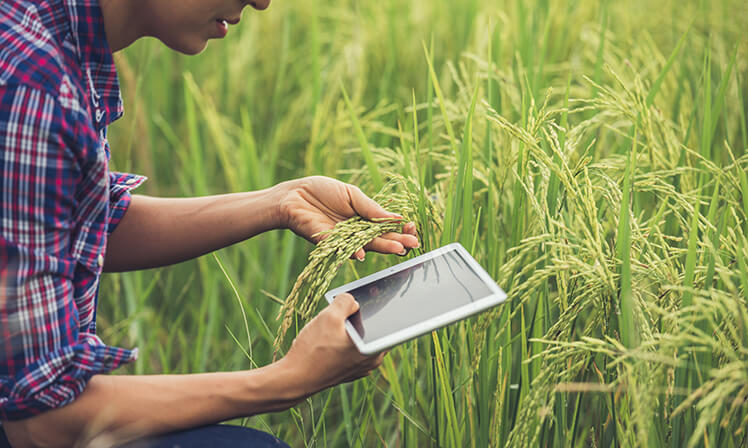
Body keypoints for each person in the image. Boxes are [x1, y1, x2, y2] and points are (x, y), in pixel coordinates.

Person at [0, 0, 420, 446]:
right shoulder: (36, 85)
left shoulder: (52, 38)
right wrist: (290, 380)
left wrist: (280, 201)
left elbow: (68, 228)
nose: (261, 1)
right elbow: (42, 421)